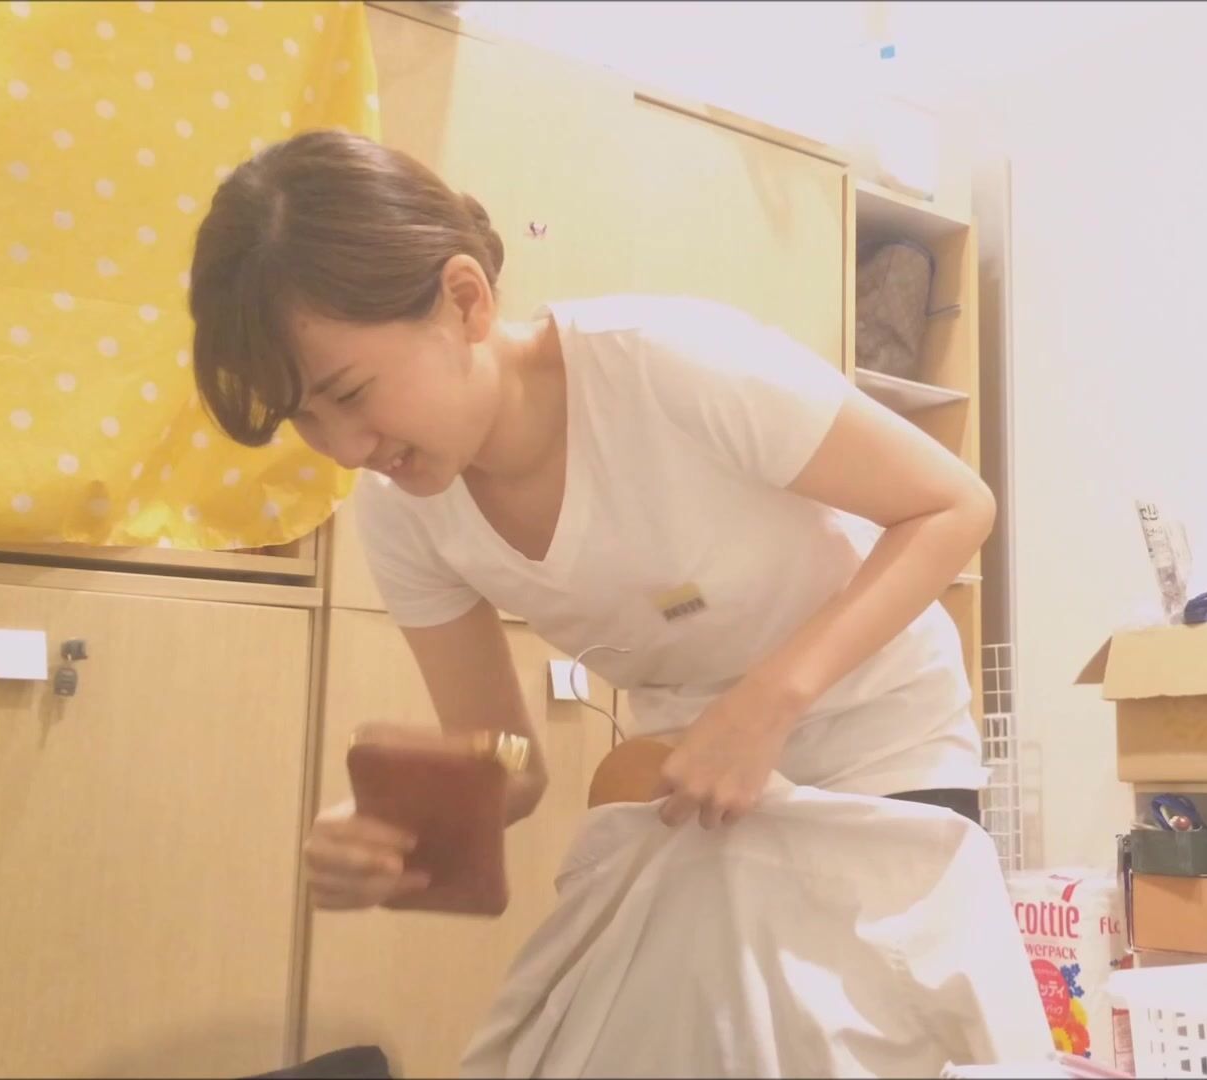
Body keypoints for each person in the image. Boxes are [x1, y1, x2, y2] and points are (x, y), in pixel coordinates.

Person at [187, 130, 997, 913]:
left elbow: (953, 505)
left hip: (883, 742)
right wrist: (394, 832)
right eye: (306, 417)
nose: (344, 448)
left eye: (352, 394)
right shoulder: (404, 512)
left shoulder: (668, 363)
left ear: (465, 301)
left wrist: (766, 704)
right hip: (692, 773)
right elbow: (507, 764)